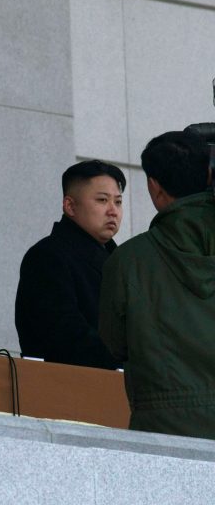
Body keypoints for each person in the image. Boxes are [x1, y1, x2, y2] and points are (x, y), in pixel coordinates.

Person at [99, 131, 215, 439]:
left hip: (163, 433)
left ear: (154, 186)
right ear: (208, 174)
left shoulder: (127, 260)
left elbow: (113, 344)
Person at [15, 160, 124, 369]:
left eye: (118, 202)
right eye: (102, 200)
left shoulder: (121, 260)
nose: (113, 211)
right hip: (69, 388)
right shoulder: (47, 257)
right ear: (70, 206)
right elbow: (65, 337)